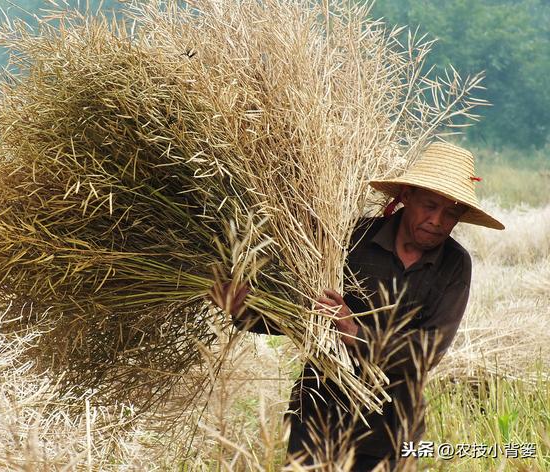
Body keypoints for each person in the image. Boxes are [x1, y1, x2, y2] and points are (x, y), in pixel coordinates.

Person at [208, 142, 504, 471]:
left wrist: (356, 333)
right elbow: (303, 313)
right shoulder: (350, 237)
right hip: (318, 413)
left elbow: (427, 352)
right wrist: (243, 309)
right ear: (406, 195)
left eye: (450, 212)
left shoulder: (455, 264)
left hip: (393, 429)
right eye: (429, 205)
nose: (437, 220)